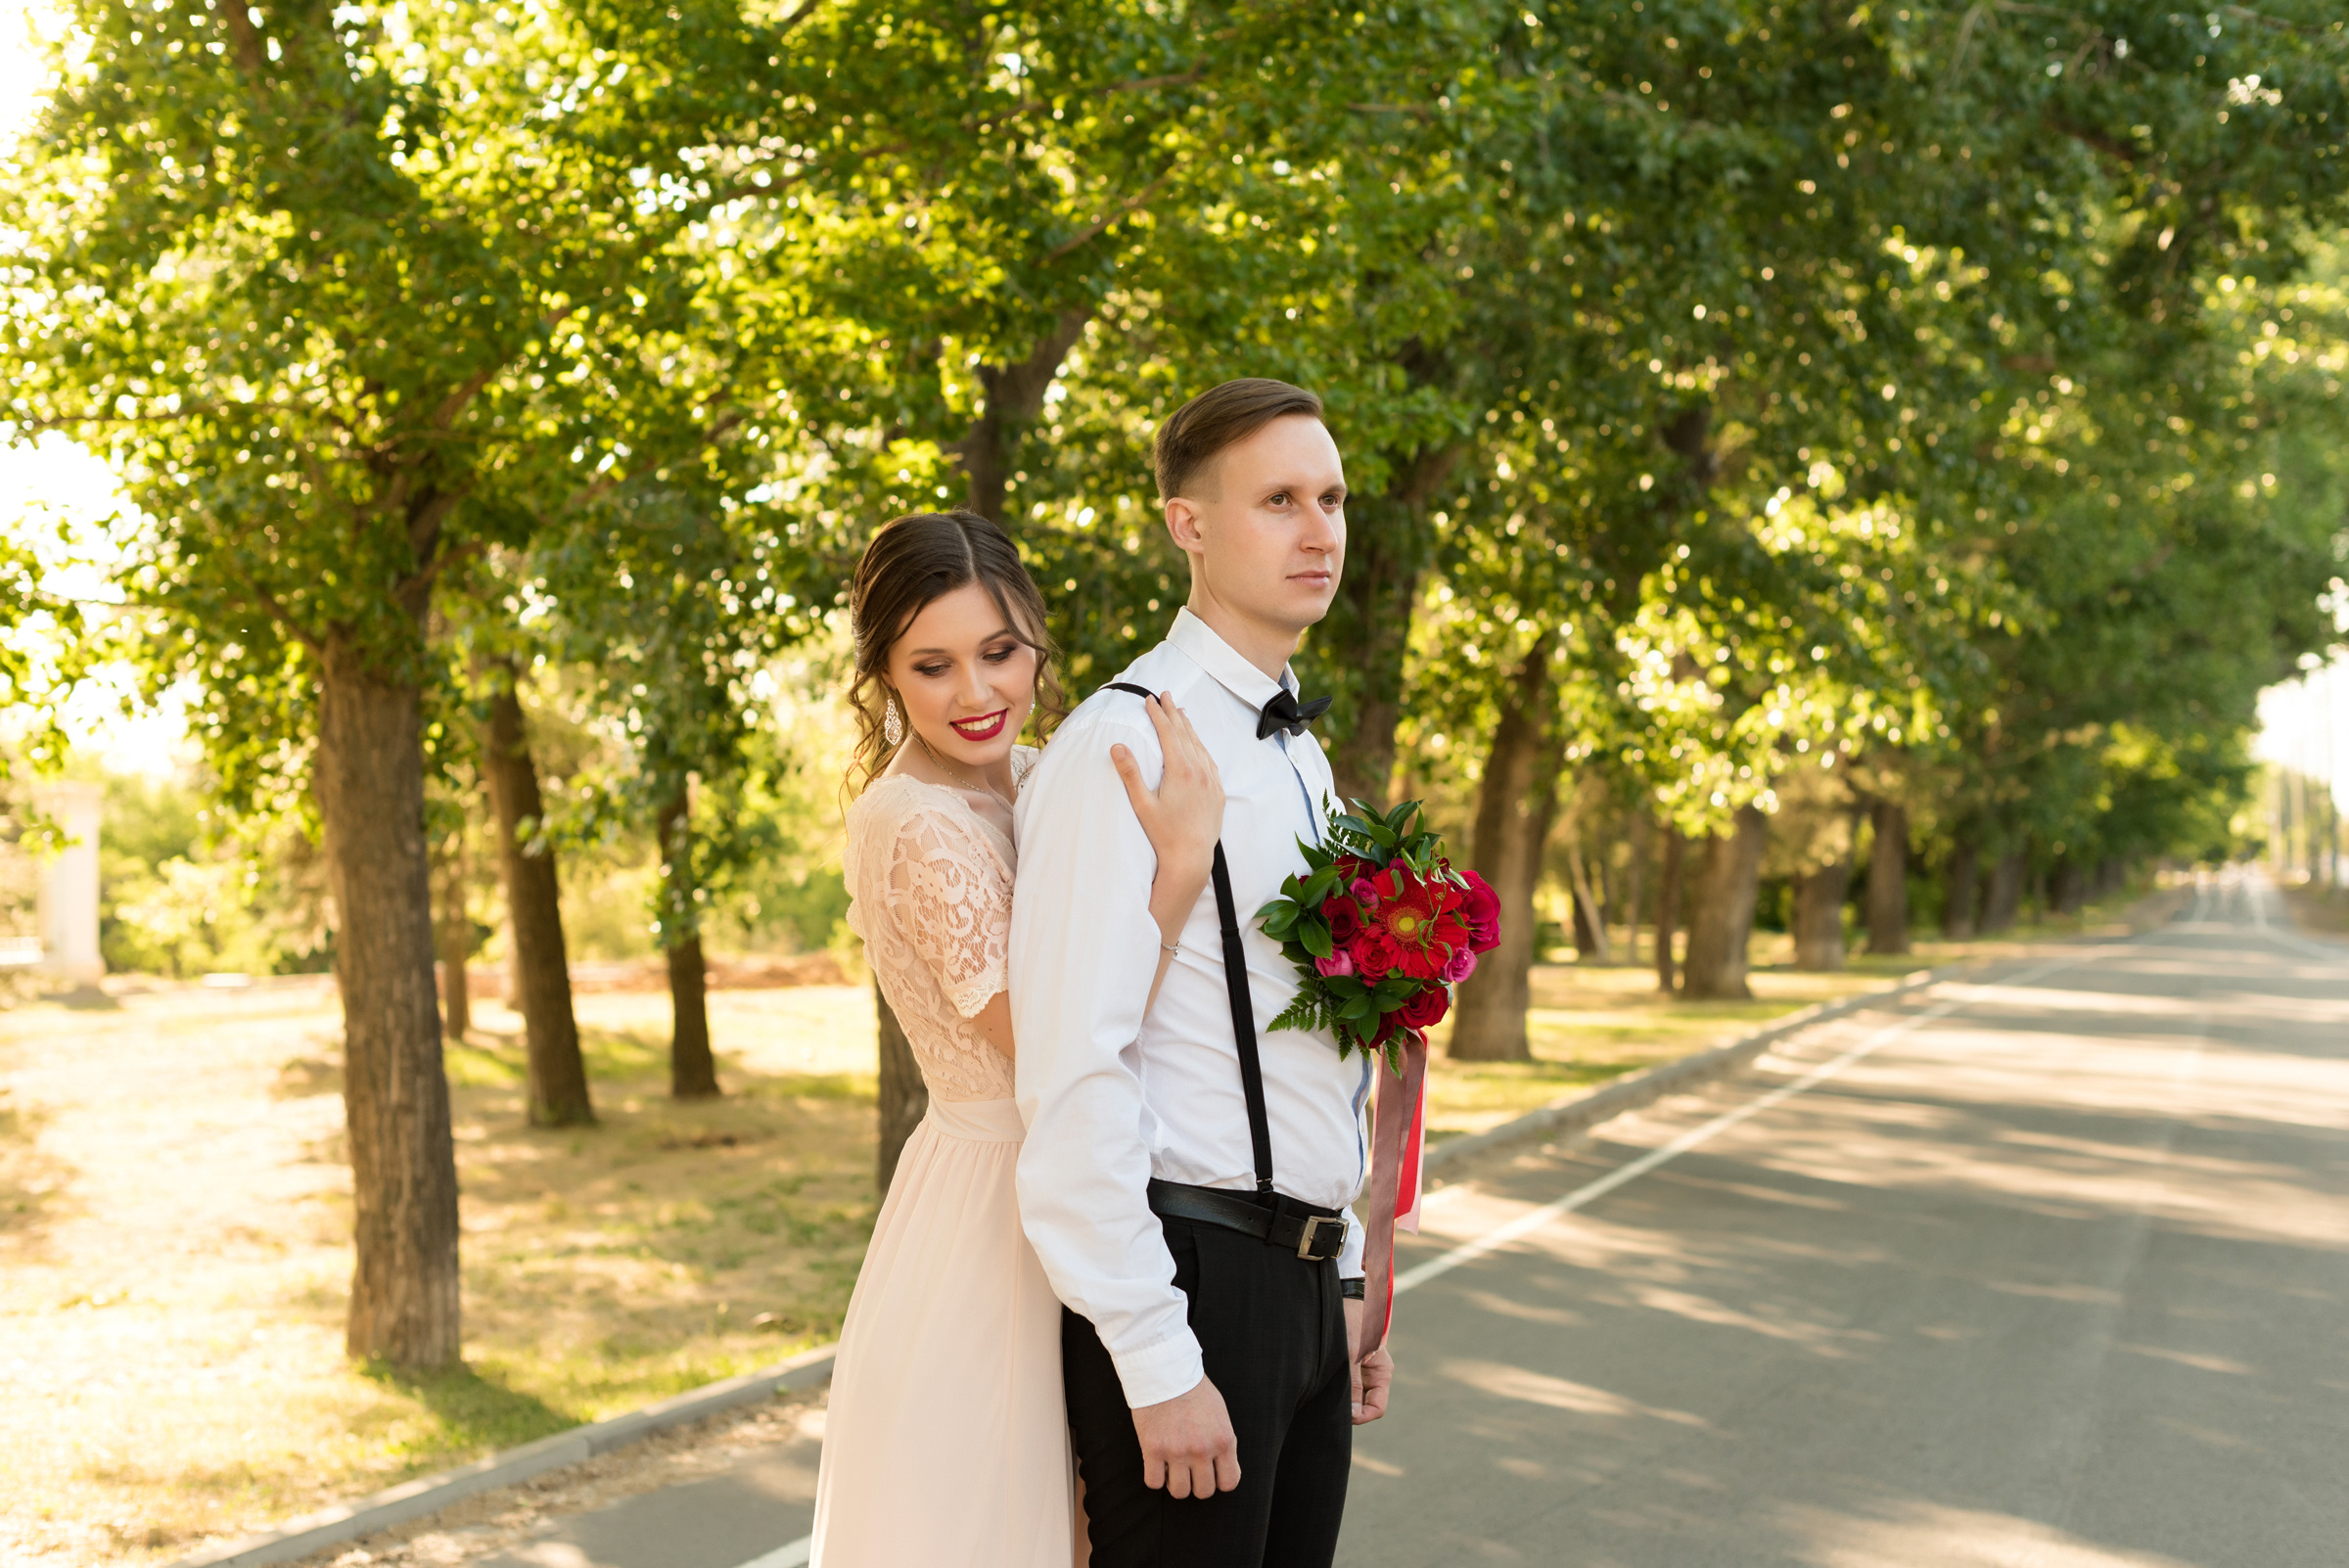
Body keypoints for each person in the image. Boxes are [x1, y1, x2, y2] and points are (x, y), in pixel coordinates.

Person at [1012, 379, 1396, 1568]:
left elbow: (1307, 1046)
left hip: (1301, 1292)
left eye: (1329, 497)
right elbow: (1074, 1067)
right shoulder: (1121, 745)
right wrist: (1154, 1352)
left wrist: (1349, 1287)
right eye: (1279, 499)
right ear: (1187, 525)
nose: (1319, 529)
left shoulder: (1296, 751)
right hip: (1190, 1286)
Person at [809, 509, 1228, 1567]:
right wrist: (1175, 876)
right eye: (933, 665)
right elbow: (1047, 1047)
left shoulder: (1050, 777)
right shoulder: (909, 822)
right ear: (886, 675)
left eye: (999, 654)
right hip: (993, 1213)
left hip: (1094, 1176)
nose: (977, 694)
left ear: (1037, 637)